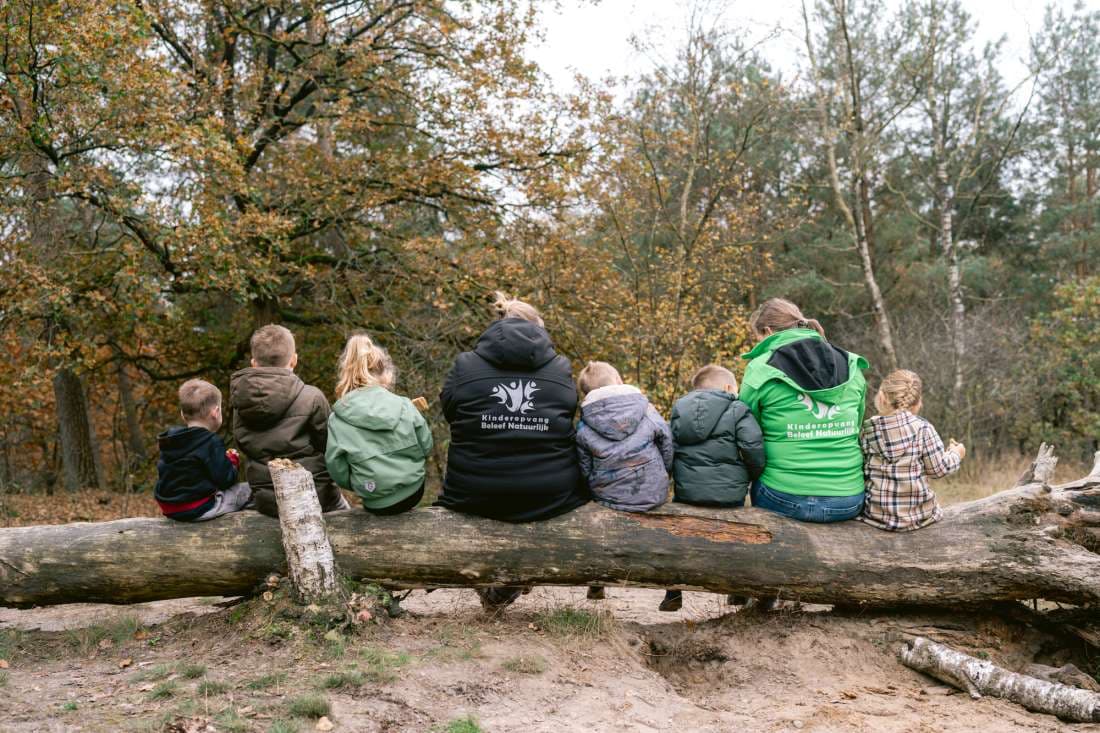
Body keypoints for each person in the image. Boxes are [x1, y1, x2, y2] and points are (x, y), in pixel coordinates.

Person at [438, 292, 588, 608]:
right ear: (539, 331)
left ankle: (498, 585)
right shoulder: (560, 368)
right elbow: (567, 415)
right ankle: (511, 582)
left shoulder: (465, 364)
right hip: (550, 493)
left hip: (473, 489)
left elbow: (450, 411)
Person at [740, 298, 869, 523]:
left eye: (758, 337)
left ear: (767, 331)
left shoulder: (760, 369)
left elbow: (748, 429)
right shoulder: (850, 364)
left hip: (780, 496)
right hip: (847, 499)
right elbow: (857, 423)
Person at [659, 364, 766, 612]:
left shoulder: (679, 409)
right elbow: (753, 448)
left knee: (678, 542)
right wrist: (751, 476)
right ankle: (737, 591)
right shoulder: (738, 409)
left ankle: (672, 594)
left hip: (687, 494)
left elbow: (668, 448)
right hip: (730, 495)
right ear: (729, 388)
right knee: (738, 539)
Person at [575, 361, 673, 602]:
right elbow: (667, 444)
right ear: (619, 380)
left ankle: (598, 581)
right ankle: (672, 588)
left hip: (607, 497)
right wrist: (664, 475)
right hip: (652, 493)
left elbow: (584, 466)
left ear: (587, 394)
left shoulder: (585, 422)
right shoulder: (646, 409)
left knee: (599, 536)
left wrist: (592, 487)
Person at [231, 324, 349, 517]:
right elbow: (329, 445)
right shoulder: (312, 397)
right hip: (314, 495)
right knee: (344, 512)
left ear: (253, 363)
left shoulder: (240, 402)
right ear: (294, 360)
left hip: (267, 500)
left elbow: (242, 443)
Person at [326, 332, 434, 515]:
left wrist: (359, 483)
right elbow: (427, 446)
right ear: (386, 375)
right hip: (413, 491)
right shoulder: (404, 405)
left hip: (374, 498)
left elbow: (337, 468)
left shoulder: (337, 419)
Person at [859, 369, 965, 531]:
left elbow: (863, 471)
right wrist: (956, 454)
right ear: (917, 403)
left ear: (882, 397)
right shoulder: (923, 429)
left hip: (876, 516)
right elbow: (938, 470)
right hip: (918, 516)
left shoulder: (868, 430)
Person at [154, 379, 251, 522]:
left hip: (169, 507)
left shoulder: (171, 440)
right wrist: (232, 462)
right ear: (216, 412)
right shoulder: (210, 442)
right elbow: (226, 480)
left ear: (182, 414)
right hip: (197, 508)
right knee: (250, 490)